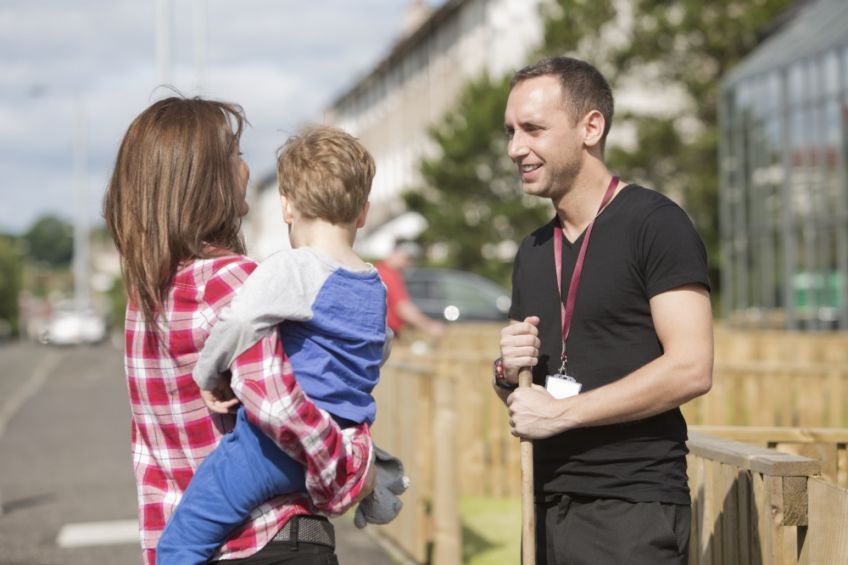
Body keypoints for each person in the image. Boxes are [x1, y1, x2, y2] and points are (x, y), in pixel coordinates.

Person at [103, 98, 374, 565]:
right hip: (267, 540)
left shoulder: (143, 301)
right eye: (236, 154)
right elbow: (280, 405)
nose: (246, 169)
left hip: (185, 542)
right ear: (206, 175)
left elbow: (153, 447)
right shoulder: (231, 280)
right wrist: (351, 469)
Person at [495, 57, 713, 564]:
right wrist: (506, 371)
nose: (515, 148)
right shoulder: (532, 249)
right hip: (545, 503)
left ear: (591, 127)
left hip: (631, 509)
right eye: (510, 132)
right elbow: (524, 394)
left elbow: (691, 367)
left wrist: (562, 413)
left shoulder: (656, 223)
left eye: (533, 129)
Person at [156, 125, 406, 563]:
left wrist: (208, 374)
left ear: (287, 206)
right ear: (363, 212)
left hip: (269, 446)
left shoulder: (293, 269)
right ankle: (372, 486)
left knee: (183, 538)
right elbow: (379, 348)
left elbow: (241, 321)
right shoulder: (375, 283)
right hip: (337, 440)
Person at [375, 239, 444, 338]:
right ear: (398, 254)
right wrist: (429, 326)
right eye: (407, 259)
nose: (409, 264)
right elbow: (403, 308)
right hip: (385, 334)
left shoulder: (380, 271)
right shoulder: (388, 275)